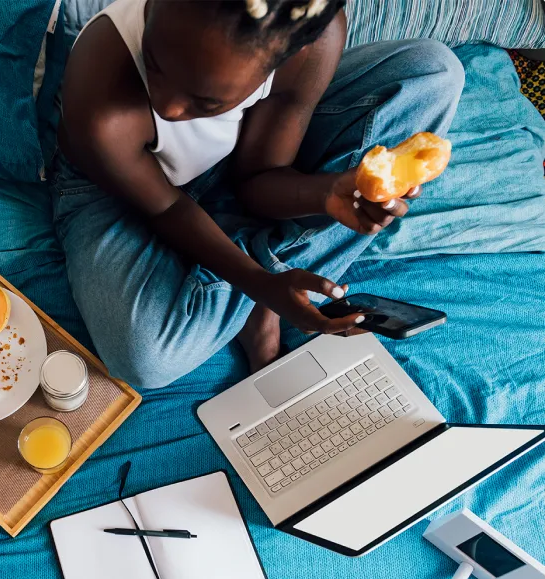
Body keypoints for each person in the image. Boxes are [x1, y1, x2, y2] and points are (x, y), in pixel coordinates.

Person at [50, 0, 465, 388]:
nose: (168, 107)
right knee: (147, 358)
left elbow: (258, 181)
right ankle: (266, 281)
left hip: (231, 159)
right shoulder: (102, 98)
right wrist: (261, 284)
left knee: (434, 72)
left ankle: (250, 289)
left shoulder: (308, 41)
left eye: (206, 101)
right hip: (117, 191)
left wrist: (330, 193)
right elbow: (167, 207)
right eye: (155, 65)